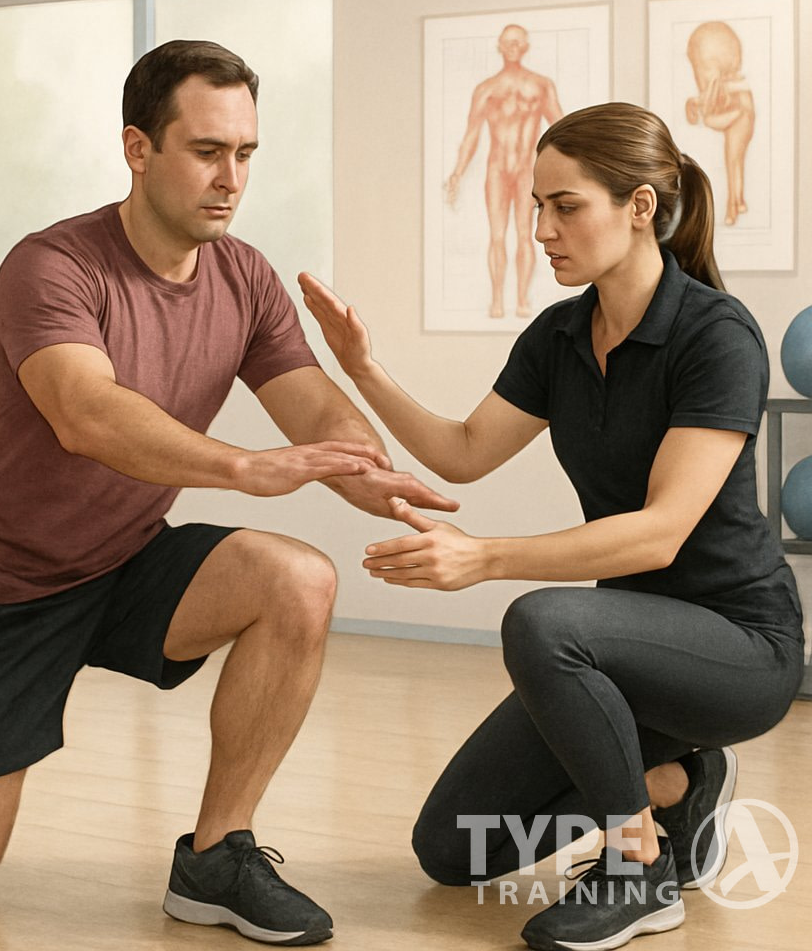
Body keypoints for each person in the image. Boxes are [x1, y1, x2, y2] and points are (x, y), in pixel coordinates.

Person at [0, 39, 458, 947]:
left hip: (123, 559)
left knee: (298, 578)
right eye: (207, 151)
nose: (231, 178)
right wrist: (243, 467)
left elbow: (316, 412)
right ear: (139, 148)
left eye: (246, 154)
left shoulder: (246, 276)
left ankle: (217, 856)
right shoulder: (52, 265)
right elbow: (87, 414)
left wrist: (372, 479)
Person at [301, 102, 804, 950]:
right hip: (618, 649)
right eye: (537, 206)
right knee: (453, 849)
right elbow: (463, 452)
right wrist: (362, 368)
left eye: (565, 206)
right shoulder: (561, 335)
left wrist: (487, 558)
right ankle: (680, 782)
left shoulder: (716, 336)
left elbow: (659, 535)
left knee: (540, 619)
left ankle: (638, 870)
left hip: (737, 646)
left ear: (639, 207)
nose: (541, 229)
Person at [445, 24, 563, 319]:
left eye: (517, 42)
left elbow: (562, 129)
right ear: (499, 46)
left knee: (526, 234)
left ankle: (522, 299)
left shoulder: (541, 85)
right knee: (497, 235)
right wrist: (458, 171)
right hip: (497, 168)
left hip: (528, 169)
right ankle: (497, 300)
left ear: (525, 46)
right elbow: (471, 134)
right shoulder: (486, 89)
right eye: (507, 42)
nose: (512, 47)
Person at [685, 20, 755, 227]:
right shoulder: (723, 85)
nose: (698, 76)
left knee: (734, 163)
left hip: (739, 121)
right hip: (735, 121)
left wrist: (704, 112)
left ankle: (735, 206)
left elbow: (723, 110)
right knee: (734, 163)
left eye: (701, 68)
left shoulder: (731, 85)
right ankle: (737, 202)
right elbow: (705, 106)